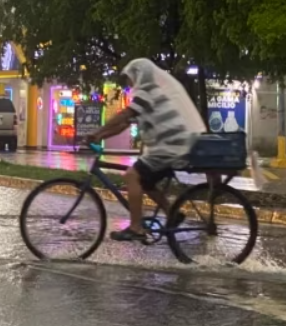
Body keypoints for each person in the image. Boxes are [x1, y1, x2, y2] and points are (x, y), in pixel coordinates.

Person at [83, 58, 206, 242]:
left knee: (132, 176)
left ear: (139, 75)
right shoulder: (148, 93)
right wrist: (100, 137)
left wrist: (97, 130)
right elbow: (125, 124)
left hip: (170, 146)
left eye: (130, 78)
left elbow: (125, 114)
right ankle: (172, 212)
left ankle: (136, 228)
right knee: (146, 182)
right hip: (171, 145)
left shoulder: (147, 91)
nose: (129, 82)